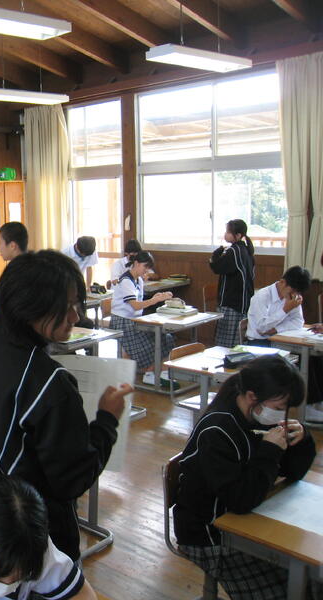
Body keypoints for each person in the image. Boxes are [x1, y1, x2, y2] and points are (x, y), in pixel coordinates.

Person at [0, 250, 131, 561]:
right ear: (30, 306)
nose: (75, 316)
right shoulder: (49, 381)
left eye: (77, 305)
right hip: (35, 541)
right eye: (66, 306)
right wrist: (107, 420)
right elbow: (74, 478)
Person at [174, 356, 320, 600]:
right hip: (210, 535)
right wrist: (270, 452)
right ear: (252, 396)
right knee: (295, 588)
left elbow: (292, 473)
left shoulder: (256, 417)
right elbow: (240, 499)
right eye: (279, 408)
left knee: (312, 576)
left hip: (246, 517)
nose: (283, 415)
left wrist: (302, 440)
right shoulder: (217, 431)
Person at [245, 265, 323, 422]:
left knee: (316, 358)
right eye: (292, 291)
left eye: (298, 292)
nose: (294, 295)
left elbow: (298, 322)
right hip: (259, 344)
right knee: (303, 362)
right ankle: (306, 407)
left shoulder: (293, 297)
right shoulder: (262, 297)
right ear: (282, 282)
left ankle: (316, 403)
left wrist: (275, 329)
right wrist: (285, 310)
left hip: (278, 339)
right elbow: (261, 329)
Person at [110, 251, 174, 386]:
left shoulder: (138, 280)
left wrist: (157, 297)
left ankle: (158, 372)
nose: (146, 271)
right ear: (136, 263)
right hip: (122, 322)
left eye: (148, 268)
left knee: (166, 337)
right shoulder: (126, 280)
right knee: (151, 343)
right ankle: (151, 373)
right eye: (145, 267)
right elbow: (135, 305)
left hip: (135, 321)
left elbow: (140, 302)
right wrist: (154, 300)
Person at [210, 219, 255, 347]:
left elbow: (216, 267)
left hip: (231, 302)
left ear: (238, 235)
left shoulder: (234, 251)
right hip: (243, 301)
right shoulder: (246, 249)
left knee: (224, 344)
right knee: (238, 341)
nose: (225, 234)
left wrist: (215, 255)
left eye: (228, 232)